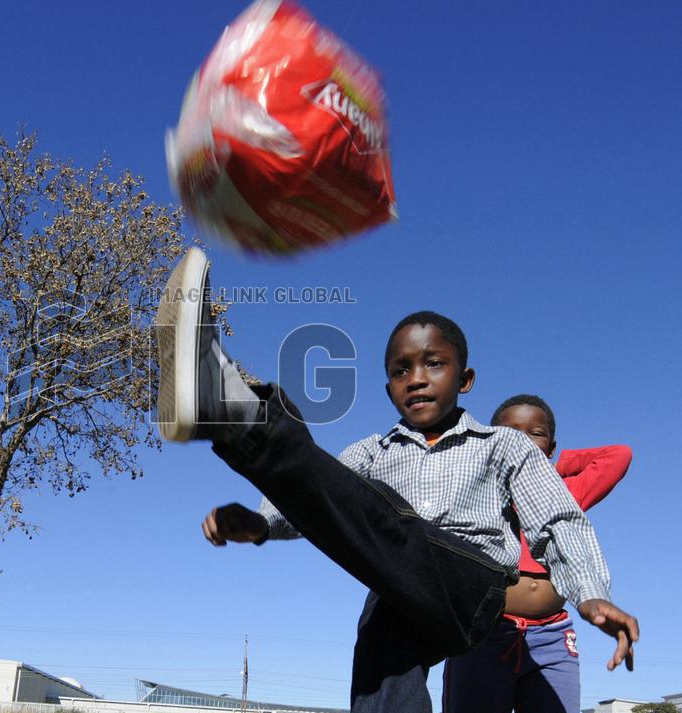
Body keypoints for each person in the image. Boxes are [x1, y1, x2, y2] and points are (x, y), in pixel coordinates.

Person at [155, 247, 638, 713]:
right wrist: (263, 524)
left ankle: (236, 414)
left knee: (390, 525)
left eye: (434, 364)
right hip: (403, 589)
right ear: (389, 388)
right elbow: (328, 493)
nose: (417, 378)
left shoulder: (501, 445)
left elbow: (557, 517)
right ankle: (231, 413)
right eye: (400, 370)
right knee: (381, 665)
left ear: (464, 379)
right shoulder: (374, 451)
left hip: (471, 587)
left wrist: (591, 592)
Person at [442, 395, 632, 713]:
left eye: (535, 433)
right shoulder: (475, 495)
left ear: (551, 446)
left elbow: (618, 456)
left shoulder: (564, 492)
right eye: (511, 432)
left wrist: (551, 466)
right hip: (486, 634)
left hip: (552, 637)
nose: (522, 439)